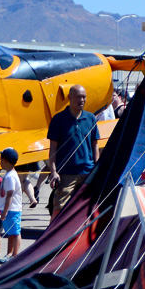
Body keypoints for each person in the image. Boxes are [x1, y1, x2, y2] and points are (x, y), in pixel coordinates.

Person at [47, 85, 100, 216]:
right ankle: (53, 235)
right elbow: (53, 147)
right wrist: (53, 171)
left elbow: (95, 145)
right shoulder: (58, 119)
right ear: (70, 98)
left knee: (87, 207)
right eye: (78, 96)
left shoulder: (90, 118)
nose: (82, 100)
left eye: (84, 97)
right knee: (59, 207)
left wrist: (97, 168)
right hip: (66, 173)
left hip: (87, 171)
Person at [0, 147, 22, 259]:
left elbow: (9, 195)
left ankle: (15, 255)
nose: (0, 162)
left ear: (5, 161)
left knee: (15, 232)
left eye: (1, 160)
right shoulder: (9, 174)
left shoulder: (10, 176)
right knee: (10, 233)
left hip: (12, 209)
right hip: (8, 209)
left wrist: (5, 211)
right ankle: (9, 254)